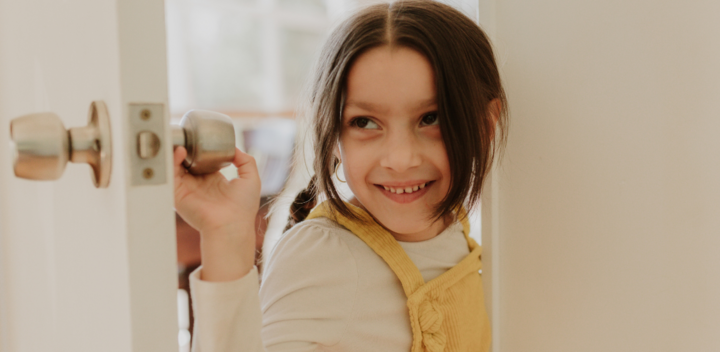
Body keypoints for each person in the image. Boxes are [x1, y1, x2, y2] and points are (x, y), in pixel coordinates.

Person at [173, 1, 508, 351]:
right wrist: (227, 237)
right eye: (364, 122)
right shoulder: (321, 255)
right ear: (331, 134)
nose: (400, 159)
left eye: (431, 118)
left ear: (485, 125)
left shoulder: (459, 230)